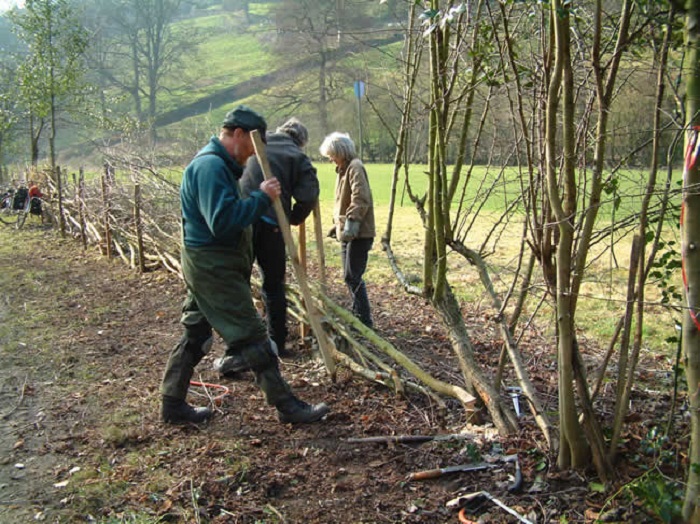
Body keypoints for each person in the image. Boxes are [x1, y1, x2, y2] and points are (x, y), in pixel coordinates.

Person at [160, 105, 330, 425]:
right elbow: (222, 222)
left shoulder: (218, 166)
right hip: (213, 266)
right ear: (237, 135)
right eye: (253, 147)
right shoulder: (210, 167)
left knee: (196, 334)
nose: (253, 155)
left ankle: (172, 404)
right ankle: (287, 407)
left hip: (209, 263)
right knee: (252, 336)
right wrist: (262, 197)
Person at [234, 118, 319, 365]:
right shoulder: (297, 156)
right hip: (272, 224)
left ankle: (241, 343)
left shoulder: (255, 144)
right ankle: (276, 343)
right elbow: (308, 195)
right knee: (273, 285)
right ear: (301, 141)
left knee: (239, 281)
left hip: (242, 220)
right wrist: (294, 218)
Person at [319, 132, 375, 328]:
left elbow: (361, 198)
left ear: (342, 151)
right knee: (348, 276)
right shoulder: (343, 169)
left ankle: (364, 321)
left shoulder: (355, 167)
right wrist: (338, 226)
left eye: (332, 155)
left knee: (353, 276)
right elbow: (343, 201)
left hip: (359, 233)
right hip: (348, 232)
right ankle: (358, 315)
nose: (330, 159)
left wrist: (351, 222)